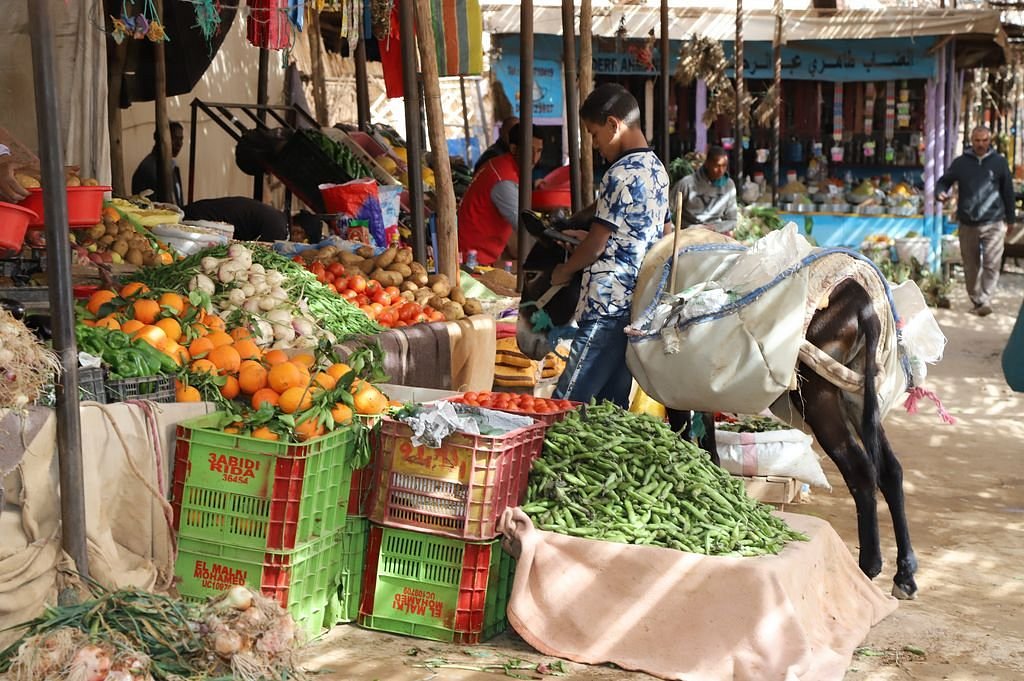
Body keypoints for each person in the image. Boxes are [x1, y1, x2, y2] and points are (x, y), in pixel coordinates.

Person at [549, 83, 670, 407]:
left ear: (614, 125)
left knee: (564, 402)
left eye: (593, 133)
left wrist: (564, 269)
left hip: (607, 303)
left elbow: (597, 246)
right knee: (610, 409)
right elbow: (664, 231)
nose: (595, 144)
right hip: (636, 307)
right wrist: (588, 239)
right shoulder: (657, 169)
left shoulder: (619, 173)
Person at [936, 126, 1015, 317]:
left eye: (984, 140)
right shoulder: (961, 163)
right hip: (967, 223)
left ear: (990, 141)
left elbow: (1008, 191)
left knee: (991, 263)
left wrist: (1010, 219)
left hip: (993, 222)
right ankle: (976, 298)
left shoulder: (999, 162)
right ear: (972, 141)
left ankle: (985, 300)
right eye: (977, 140)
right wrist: (940, 191)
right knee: (970, 265)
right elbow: (944, 181)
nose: (981, 144)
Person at [457, 123, 543, 266]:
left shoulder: (501, 166)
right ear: (514, 148)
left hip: (477, 253)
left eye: (539, 151)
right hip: (471, 260)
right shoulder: (503, 179)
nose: (534, 158)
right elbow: (524, 226)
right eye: (530, 150)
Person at [671, 145, 737, 234]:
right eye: (717, 166)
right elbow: (666, 212)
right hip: (689, 234)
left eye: (724, 166)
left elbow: (732, 220)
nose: (721, 170)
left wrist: (713, 228)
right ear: (707, 164)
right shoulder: (686, 184)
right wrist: (674, 233)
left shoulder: (729, 185)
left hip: (716, 233)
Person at [183, 196, 289, 242]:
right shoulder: (278, 227)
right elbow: (263, 252)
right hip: (200, 221)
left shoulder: (276, 218)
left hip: (199, 213)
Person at [132, 121, 184, 206]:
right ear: (161, 139)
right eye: (174, 138)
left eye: (181, 139)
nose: (179, 144)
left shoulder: (173, 166)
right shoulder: (148, 169)